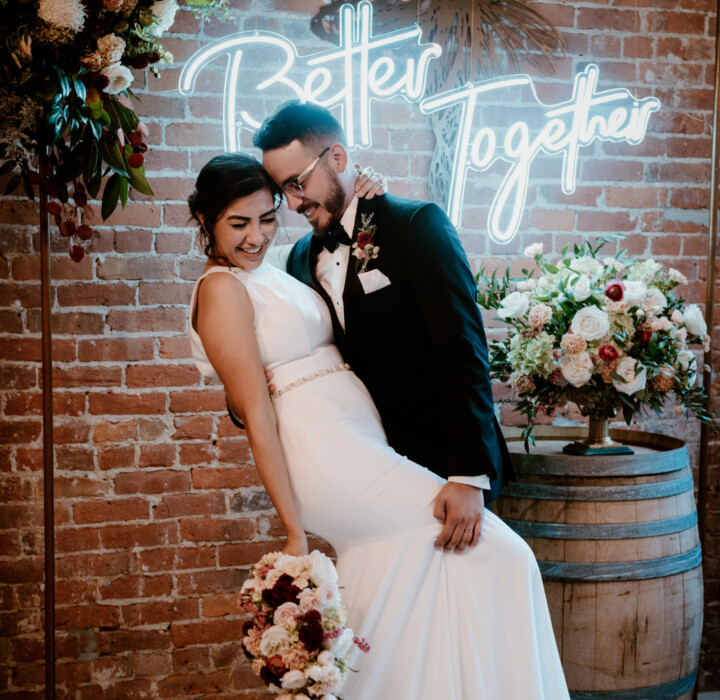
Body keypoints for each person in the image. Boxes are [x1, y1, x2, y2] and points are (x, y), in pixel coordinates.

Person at [188, 152, 570, 699]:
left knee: (409, 578)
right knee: (502, 555)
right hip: (328, 456)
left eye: (267, 216)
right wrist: (293, 530)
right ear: (206, 221)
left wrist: (369, 204)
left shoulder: (285, 265)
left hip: (364, 443)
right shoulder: (222, 287)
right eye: (239, 223)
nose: (257, 235)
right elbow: (257, 418)